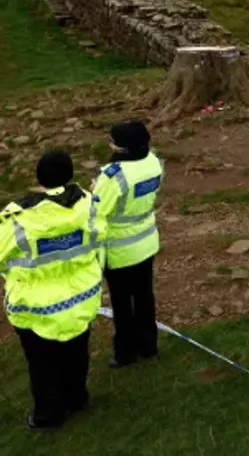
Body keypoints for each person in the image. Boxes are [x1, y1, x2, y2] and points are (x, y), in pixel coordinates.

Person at [0, 150, 104, 431]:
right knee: (77, 353)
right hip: (80, 298)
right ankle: (77, 399)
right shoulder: (88, 205)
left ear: (39, 177)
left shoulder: (20, 220)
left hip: (37, 308)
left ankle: (49, 415)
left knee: (42, 364)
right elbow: (100, 234)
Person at [90, 119, 164, 368]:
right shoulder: (154, 162)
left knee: (122, 304)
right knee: (145, 296)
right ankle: (149, 345)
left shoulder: (113, 176)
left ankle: (125, 353)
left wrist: (94, 191)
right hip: (146, 240)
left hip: (119, 248)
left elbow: (97, 212)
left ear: (120, 149)